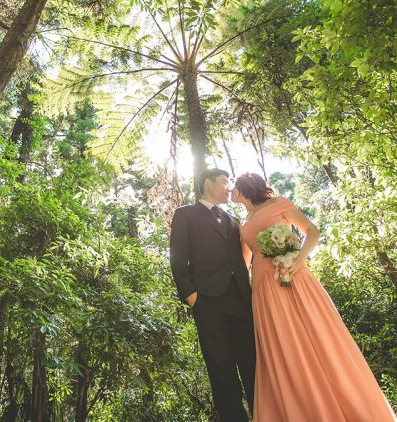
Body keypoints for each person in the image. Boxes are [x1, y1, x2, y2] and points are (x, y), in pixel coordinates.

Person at [231, 172, 396, 422]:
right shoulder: (242, 226)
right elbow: (244, 263)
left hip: (295, 277)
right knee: (284, 347)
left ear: (244, 188)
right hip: (265, 291)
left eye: (233, 186)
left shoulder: (279, 204)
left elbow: (313, 231)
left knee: (319, 336)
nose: (230, 191)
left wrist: (299, 258)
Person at [169, 168, 255, 422]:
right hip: (207, 301)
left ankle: (262, 414)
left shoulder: (232, 219)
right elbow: (177, 257)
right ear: (208, 183)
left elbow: (242, 259)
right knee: (220, 366)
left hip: (241, 299)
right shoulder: (184, 215)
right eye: (225, 181)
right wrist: (191, 295)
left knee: (252, 362)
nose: (229, 187)